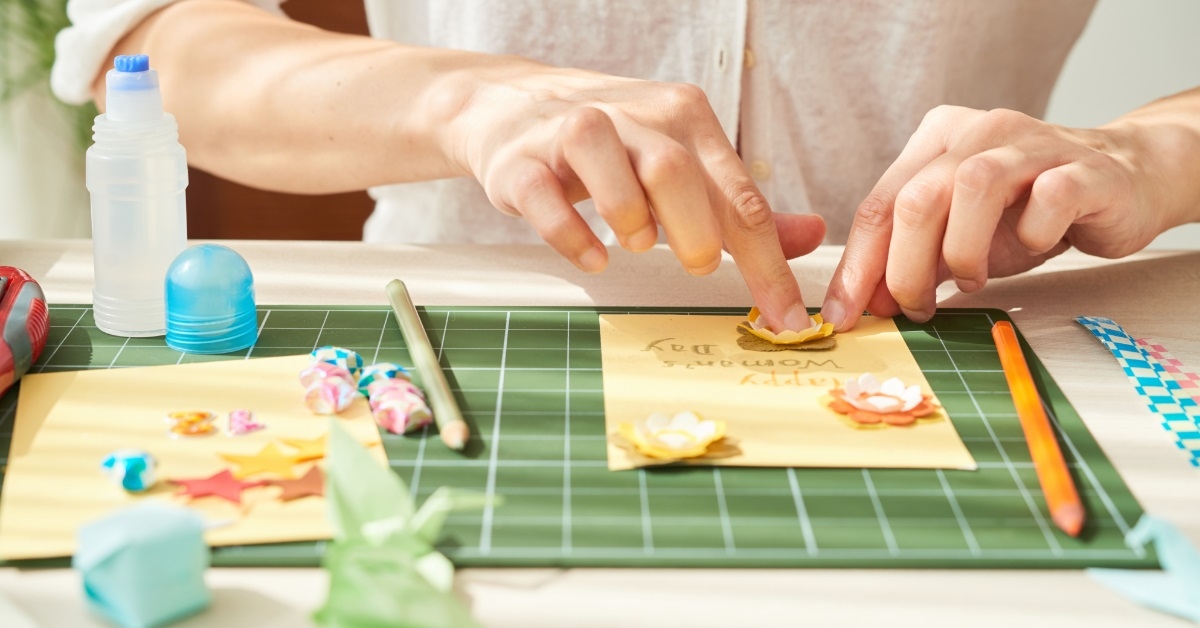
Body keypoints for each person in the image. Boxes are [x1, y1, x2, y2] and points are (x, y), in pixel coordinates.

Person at [52, 1, 1200, 333]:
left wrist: (1149, 148)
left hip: (957, 339)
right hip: (463, 330)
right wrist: (460, 99)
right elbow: (149, 46)